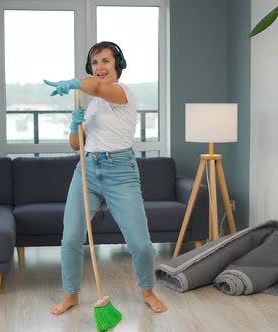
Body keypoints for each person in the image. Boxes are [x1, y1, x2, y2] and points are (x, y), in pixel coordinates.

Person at [44, 41, 168, 315]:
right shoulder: (93, 105)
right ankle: (71, 294)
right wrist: (74, 124)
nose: (100, 67)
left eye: (105, 61)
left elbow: (98, 87)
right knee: (70, 238)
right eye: (95, 62)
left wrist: (75, 82)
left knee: (139, 242)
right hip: (87, 170)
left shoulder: (122, 93)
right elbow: (76, 145)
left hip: (120, 171)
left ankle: (147, 291)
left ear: (117, 65)